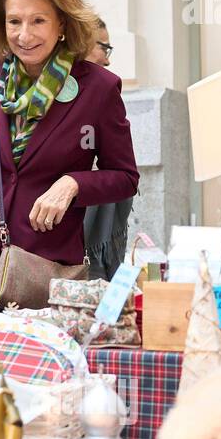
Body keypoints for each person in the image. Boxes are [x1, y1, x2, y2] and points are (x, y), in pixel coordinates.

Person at [0, 0, 139, 319]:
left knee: (32, 373)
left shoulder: (98, 87)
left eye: (38, 21)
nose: (24, 34)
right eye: (14, 21)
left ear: (62, 23)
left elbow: (126, 177)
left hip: (45, 272)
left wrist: (73, 184)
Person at [82, 19, 136, 279]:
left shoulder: (105, 92)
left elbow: (125, 175)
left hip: (92, 256)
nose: (108, 59)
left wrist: (75, 182)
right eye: (104, 47)